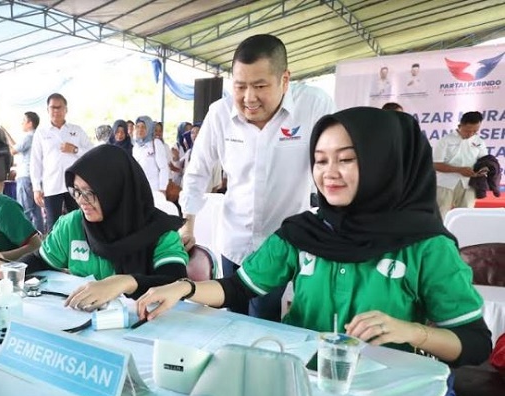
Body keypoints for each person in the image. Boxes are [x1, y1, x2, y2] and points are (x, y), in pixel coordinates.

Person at [139, 107, 492, 369]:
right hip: (297, 382)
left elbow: (474, 343)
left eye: (347, 159)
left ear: (386, 164)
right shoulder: (304, 231)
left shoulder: (426, 246)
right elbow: (240, 288)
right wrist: (184, 289)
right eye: (320, 161)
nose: (329, 174)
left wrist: (412, 332)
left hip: (380, 390)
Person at [179, 34, 335, 321]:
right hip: (234, 239)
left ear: (285, 80)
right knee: (233, 316)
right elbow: (198, 170)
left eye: (260, 86)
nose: (248, 98)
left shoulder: (314, 106)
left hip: (283, 241)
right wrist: (188, 223)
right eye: (240, 86)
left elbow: (334, 163)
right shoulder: (220, 114)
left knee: (264, 318)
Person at [0, 144, 188, 311]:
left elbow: (174, 282)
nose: (81, 201)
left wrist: (123, 283)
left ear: (117, 191)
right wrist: (7, 269)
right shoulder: (73, 224)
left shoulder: (159, 232)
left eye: (90, 192)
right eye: (76, 191)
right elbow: (40, 259)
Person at [30, 93, 93, 232]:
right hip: (51, 186)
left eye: (59, 107)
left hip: (74, 185)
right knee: (53, 225)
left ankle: (80, 250)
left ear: (66, 109)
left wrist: (75, 149)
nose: (56, 111)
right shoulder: (41, 133)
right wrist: (36, 188)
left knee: (79, 221)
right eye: (53, 107)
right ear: (47, 110)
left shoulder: (76, 130)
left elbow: (91, 152)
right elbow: (35, 161)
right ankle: (55, 253)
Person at [433, 111, 488, 220]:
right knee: (440, 215)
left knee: (466, 215)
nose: (471, 134)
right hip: (445, 183)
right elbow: (436, 165)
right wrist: (458, 170)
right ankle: (440, 236)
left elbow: (484, 161)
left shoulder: (480, 142)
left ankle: (462, 236)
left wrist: (483, 170)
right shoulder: (445, 141)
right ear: (460, 125)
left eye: (475, 131)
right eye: (468, 130)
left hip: (469, 184)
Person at [12, 111, 45, 233]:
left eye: (23, 120)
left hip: (25, 176)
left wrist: (5, 134)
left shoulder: (28, 137)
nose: (21, 123)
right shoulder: (38, 136)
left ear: (30, 123)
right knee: (36, 211)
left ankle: (26, 238)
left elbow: (13, 150)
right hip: (36, 177)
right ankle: (39, 237)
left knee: (25, 209)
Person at [132, 115, 170, 195]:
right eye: (138, 127)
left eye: (143, 127)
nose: (140, 130)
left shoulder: (156, 143)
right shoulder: (136, 146)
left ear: (149, 129)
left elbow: (163, 168)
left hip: (154, 190)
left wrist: (162, 189)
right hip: (139, 189)